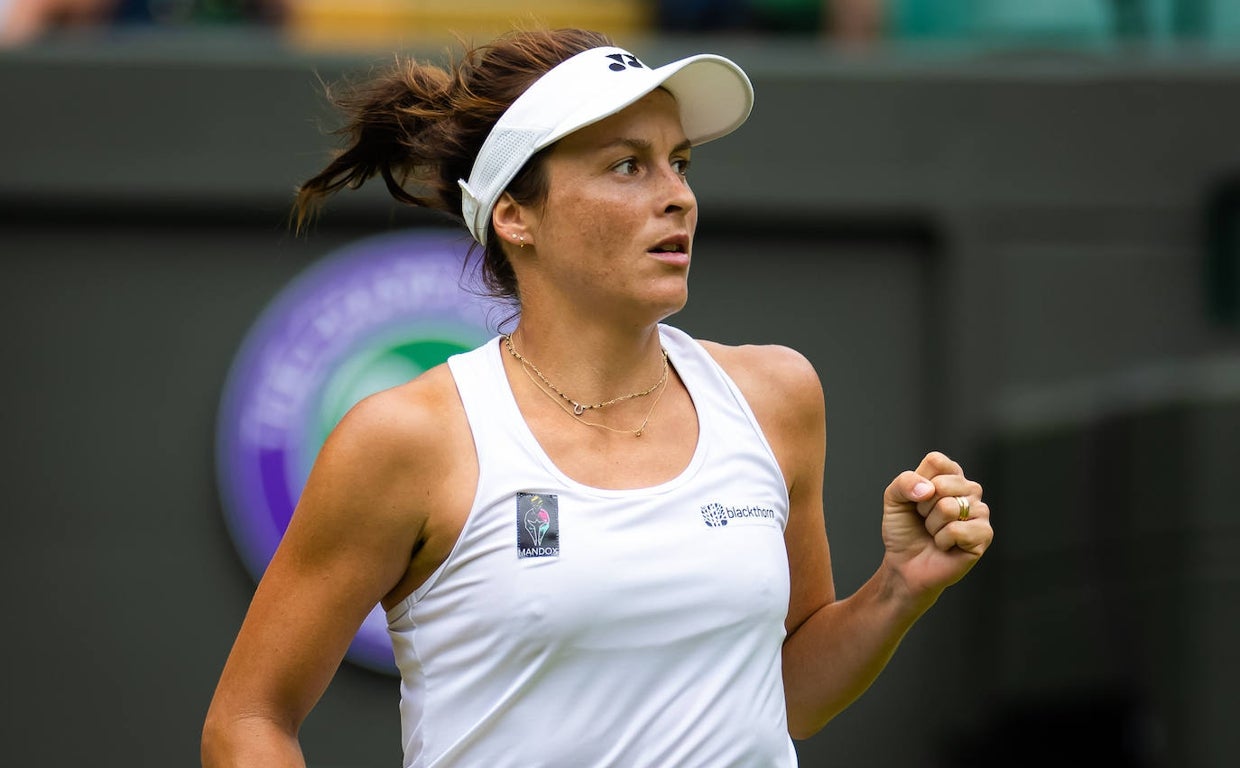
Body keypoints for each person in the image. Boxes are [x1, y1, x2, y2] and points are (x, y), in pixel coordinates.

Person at [200, 26, 994, 768]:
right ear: (516, 216)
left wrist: (897, 589)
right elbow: (248, 719)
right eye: (627, 166)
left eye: (679, 162)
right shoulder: (409, 440)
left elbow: (787, 694)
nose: (677, 195)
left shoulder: (777, 395)